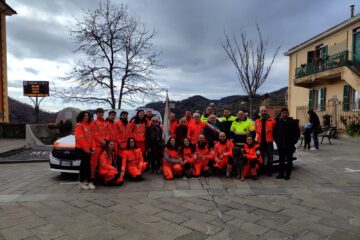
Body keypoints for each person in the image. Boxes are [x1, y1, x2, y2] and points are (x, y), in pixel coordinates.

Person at [274, 108, 300, 180]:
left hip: (289, 145)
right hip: (281, 145)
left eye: (285, 113)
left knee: (289, 160)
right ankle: (281, 174)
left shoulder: (293, 122)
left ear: (288, 114)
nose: (284, 114)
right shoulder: (278, 123)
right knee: (281, 160)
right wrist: (277, 142)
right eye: (283, 113)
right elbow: (274, 133)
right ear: (281, 114)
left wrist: (293, 141)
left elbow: (297, 133)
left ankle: (288, 174)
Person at [74, 111, 94, 190]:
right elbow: (80, 139)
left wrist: (92, 148)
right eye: (85, 116)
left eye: (87, 116)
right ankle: (81, 182)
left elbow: (91, 138)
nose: (86, 117)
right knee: (84, 166)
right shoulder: (79, 126)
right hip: (81, 149)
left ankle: (88, 181)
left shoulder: (89, 125)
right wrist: (86, 149)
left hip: (88, 149)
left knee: (88, 165)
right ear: (81, 117)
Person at [254, 107, 276, 176]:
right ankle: (262, 170)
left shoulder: (272, 120)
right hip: (260, 142)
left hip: (269, 142)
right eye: (262, 111)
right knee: (261, 157)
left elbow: (275, 131)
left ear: (267, 112)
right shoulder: (257, 121)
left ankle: (269, 171)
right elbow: (255, 132)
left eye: (265, 111)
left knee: (270, 158)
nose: (263, 112)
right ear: (260, 113)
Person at [90, 108, 108, 187]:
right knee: (94, 163)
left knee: (102, 162)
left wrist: (106, 140)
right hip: (97, 146)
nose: (101, 114)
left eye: (102, 112)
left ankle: (100, 177)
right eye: (99, 113)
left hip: (104, 146)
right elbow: (94, 133)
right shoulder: (94, 123)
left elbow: (107, 133)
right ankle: (92, 178)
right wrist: (101, 141)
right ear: (96, 114)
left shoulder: (105, 123)